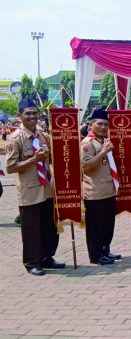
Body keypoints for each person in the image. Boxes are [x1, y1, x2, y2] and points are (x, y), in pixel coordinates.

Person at [5, 99, 64, 275]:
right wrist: (33, 160)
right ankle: (32, 262)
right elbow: (10, 167)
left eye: (34, 113)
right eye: (27, 113)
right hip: (29, 190)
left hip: (47, 188)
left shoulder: (43, 135)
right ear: (20, 116)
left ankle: (47, 257)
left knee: (50, 226)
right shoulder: (16, 138)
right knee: (31, 229)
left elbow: (51, 159)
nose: (32, 117)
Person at [81, 107, 121, 265]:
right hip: (94, 191)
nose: (103, 127)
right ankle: (95, 255)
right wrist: (103, 153)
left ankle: (105, 250)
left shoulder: (103, 141)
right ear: (91, 125)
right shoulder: (87, 143)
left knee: (107, 224)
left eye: (106, 124)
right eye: (100, 124)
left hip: (108, 190)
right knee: (95, 227)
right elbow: (86, 166)